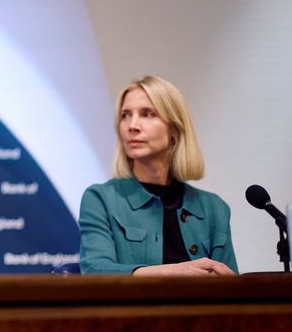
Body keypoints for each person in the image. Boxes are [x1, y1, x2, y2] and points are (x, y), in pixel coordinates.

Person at [79, 75, 237, 276]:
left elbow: (231, 287)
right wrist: (174, 272)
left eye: (147, 114)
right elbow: (95, 271)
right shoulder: (100, 199)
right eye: (125, 115)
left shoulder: (214, 208)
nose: (132, 126)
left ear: (175, 129)